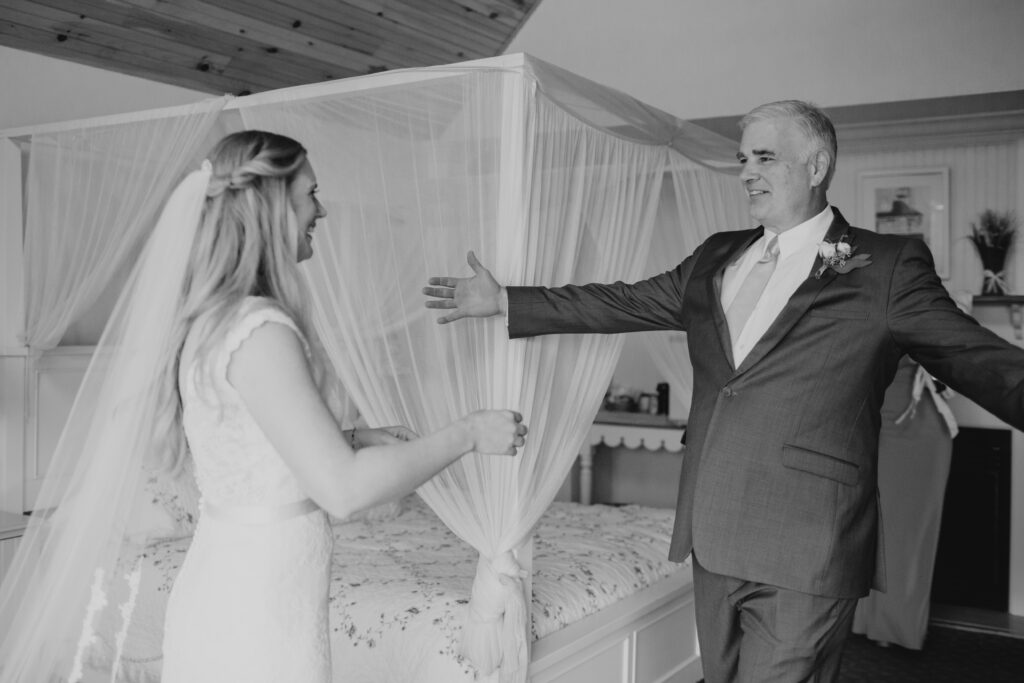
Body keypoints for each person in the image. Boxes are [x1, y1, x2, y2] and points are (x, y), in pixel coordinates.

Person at [422, 100, 1024, 682]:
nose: (748, 174)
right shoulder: (716, 255)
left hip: (808, 543)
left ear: (816, 167)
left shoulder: (886, 264)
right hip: (712, 531)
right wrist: (504, 301)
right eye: (742, 160)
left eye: (764, 158)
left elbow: (977, 358)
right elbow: (622, 301)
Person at [0, 130, 527, 683]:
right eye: (310, 195)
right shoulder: (260, 328)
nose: (320, 210)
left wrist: (357, 439)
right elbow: (343, 491)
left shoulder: (217, 320)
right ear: (271, 205)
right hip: (258, 614)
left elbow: (256, 446)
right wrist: (467, 433)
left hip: (242, 593)